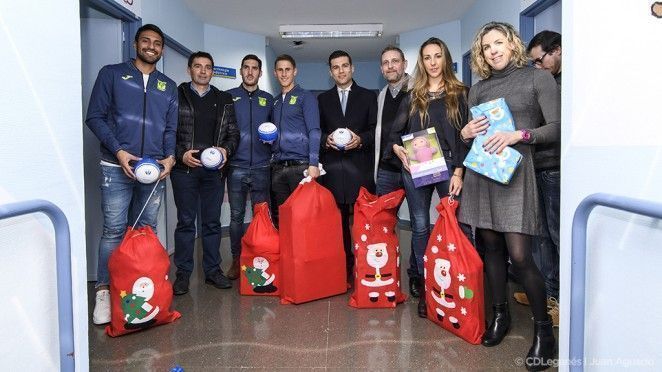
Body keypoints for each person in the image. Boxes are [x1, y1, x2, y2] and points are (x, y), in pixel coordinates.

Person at [458, 22, 560, 371]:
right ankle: (500, 316)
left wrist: (520, 134)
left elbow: (557, 128)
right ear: (481, 53)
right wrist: (465, 132)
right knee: (491, 249)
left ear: (512, 43)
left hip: (517, 176)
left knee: (520, 256)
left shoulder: (538, 79)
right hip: (483, 175)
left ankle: (544, 331)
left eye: (499, 43)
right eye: (487, 47)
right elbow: (474, 136)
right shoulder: (478, 89)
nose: (493, 50)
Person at [85, 24, 178, 324]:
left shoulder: (168, 86)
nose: (151, 46)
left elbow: (170, 128)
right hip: (116, 166)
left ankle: (140, 288)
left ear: (162, 50)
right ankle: (104, 292)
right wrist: (119, 152)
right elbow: (95, 117)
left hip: (153, 172)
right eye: (146, 41)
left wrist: (170, 159)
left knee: (145, 230)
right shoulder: (111, 74)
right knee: (113, 231)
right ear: (136, 44)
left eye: (157, 43)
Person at [385, 37, 469, 319]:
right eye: (427, 57)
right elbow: (394, 134)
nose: (433, 62)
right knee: (420, 227)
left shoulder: (460, 93)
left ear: (445, 58)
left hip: (448, 165)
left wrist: (459, 170)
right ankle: (425, 284)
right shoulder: (413, 95)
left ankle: (454, 282)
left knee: (452, 225)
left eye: (437, 56)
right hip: (417, 165)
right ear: (421, 62)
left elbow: (464, 137)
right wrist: (399, 151)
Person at [170, 51, 239, 295]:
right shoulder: (176, 95)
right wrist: (181, 154)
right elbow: (167, 131)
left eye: (207, 67)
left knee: (211, 223)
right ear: (189, 69)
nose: (203, 71)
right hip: (184, 170)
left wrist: (225, 151)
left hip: (213, 172)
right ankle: (183, 274)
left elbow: (233, 134)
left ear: (212, 71)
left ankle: (212, 271)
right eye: (198, 66)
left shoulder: (224, 99)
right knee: (186, 223)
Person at [511, 31, 562, 326]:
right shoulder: (545, 81)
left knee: (555, 234)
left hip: (553, 166)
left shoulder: (564, 86)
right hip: (535, 166)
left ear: (557, 50)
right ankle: (544, 292)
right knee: (540, 234)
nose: (538, 67)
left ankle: (557, 300)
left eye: (540, 60)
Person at [318, 50, 377, 282]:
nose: (341, 71)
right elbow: (318, 131)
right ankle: (344, 265)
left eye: (345, 66)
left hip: (359, 168)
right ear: (330, 72)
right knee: (338, 222)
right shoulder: (322, 99)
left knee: (363, 220)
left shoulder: (368, 96)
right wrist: (326, 140)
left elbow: (375, 130)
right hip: (333, 170)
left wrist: (361, 139)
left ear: (353, 68)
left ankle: (368, 263)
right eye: (335, 67)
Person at [374, 46, 420, 297]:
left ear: (404, 63)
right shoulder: (380, 96)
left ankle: (415, 274)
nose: (390, 66)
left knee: (417, 222)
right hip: (386, 168)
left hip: (412, 166)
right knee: (383, 223)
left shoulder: (418, 90)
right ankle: (385, 269)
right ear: (381, 68)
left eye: (395, 61)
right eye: (385, 62)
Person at [226, 55, 274, 280]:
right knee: (236, 216)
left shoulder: (268, 99)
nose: (250, 72)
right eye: (246, 67)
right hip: (236, 165)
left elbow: (275, 131)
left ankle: (257, 256)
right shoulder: (229, 97)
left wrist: (272, 140)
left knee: (260, 215)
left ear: (260, 73)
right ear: (241, 70)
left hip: (263, 166)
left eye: (255, 68)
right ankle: (236, 259)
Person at [270, 54, 321, 225]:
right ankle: (287, 252)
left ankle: (304, 253)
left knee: (304, 218)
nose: (284, 74)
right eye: (280, 70)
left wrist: (313, 163)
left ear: (295, 72)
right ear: (275, 73)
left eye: (288, 70)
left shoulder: (306, 97)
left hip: (301, 167)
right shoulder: (275, 102)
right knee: (283, 219)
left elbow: (314, 130)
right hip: (278, 168)